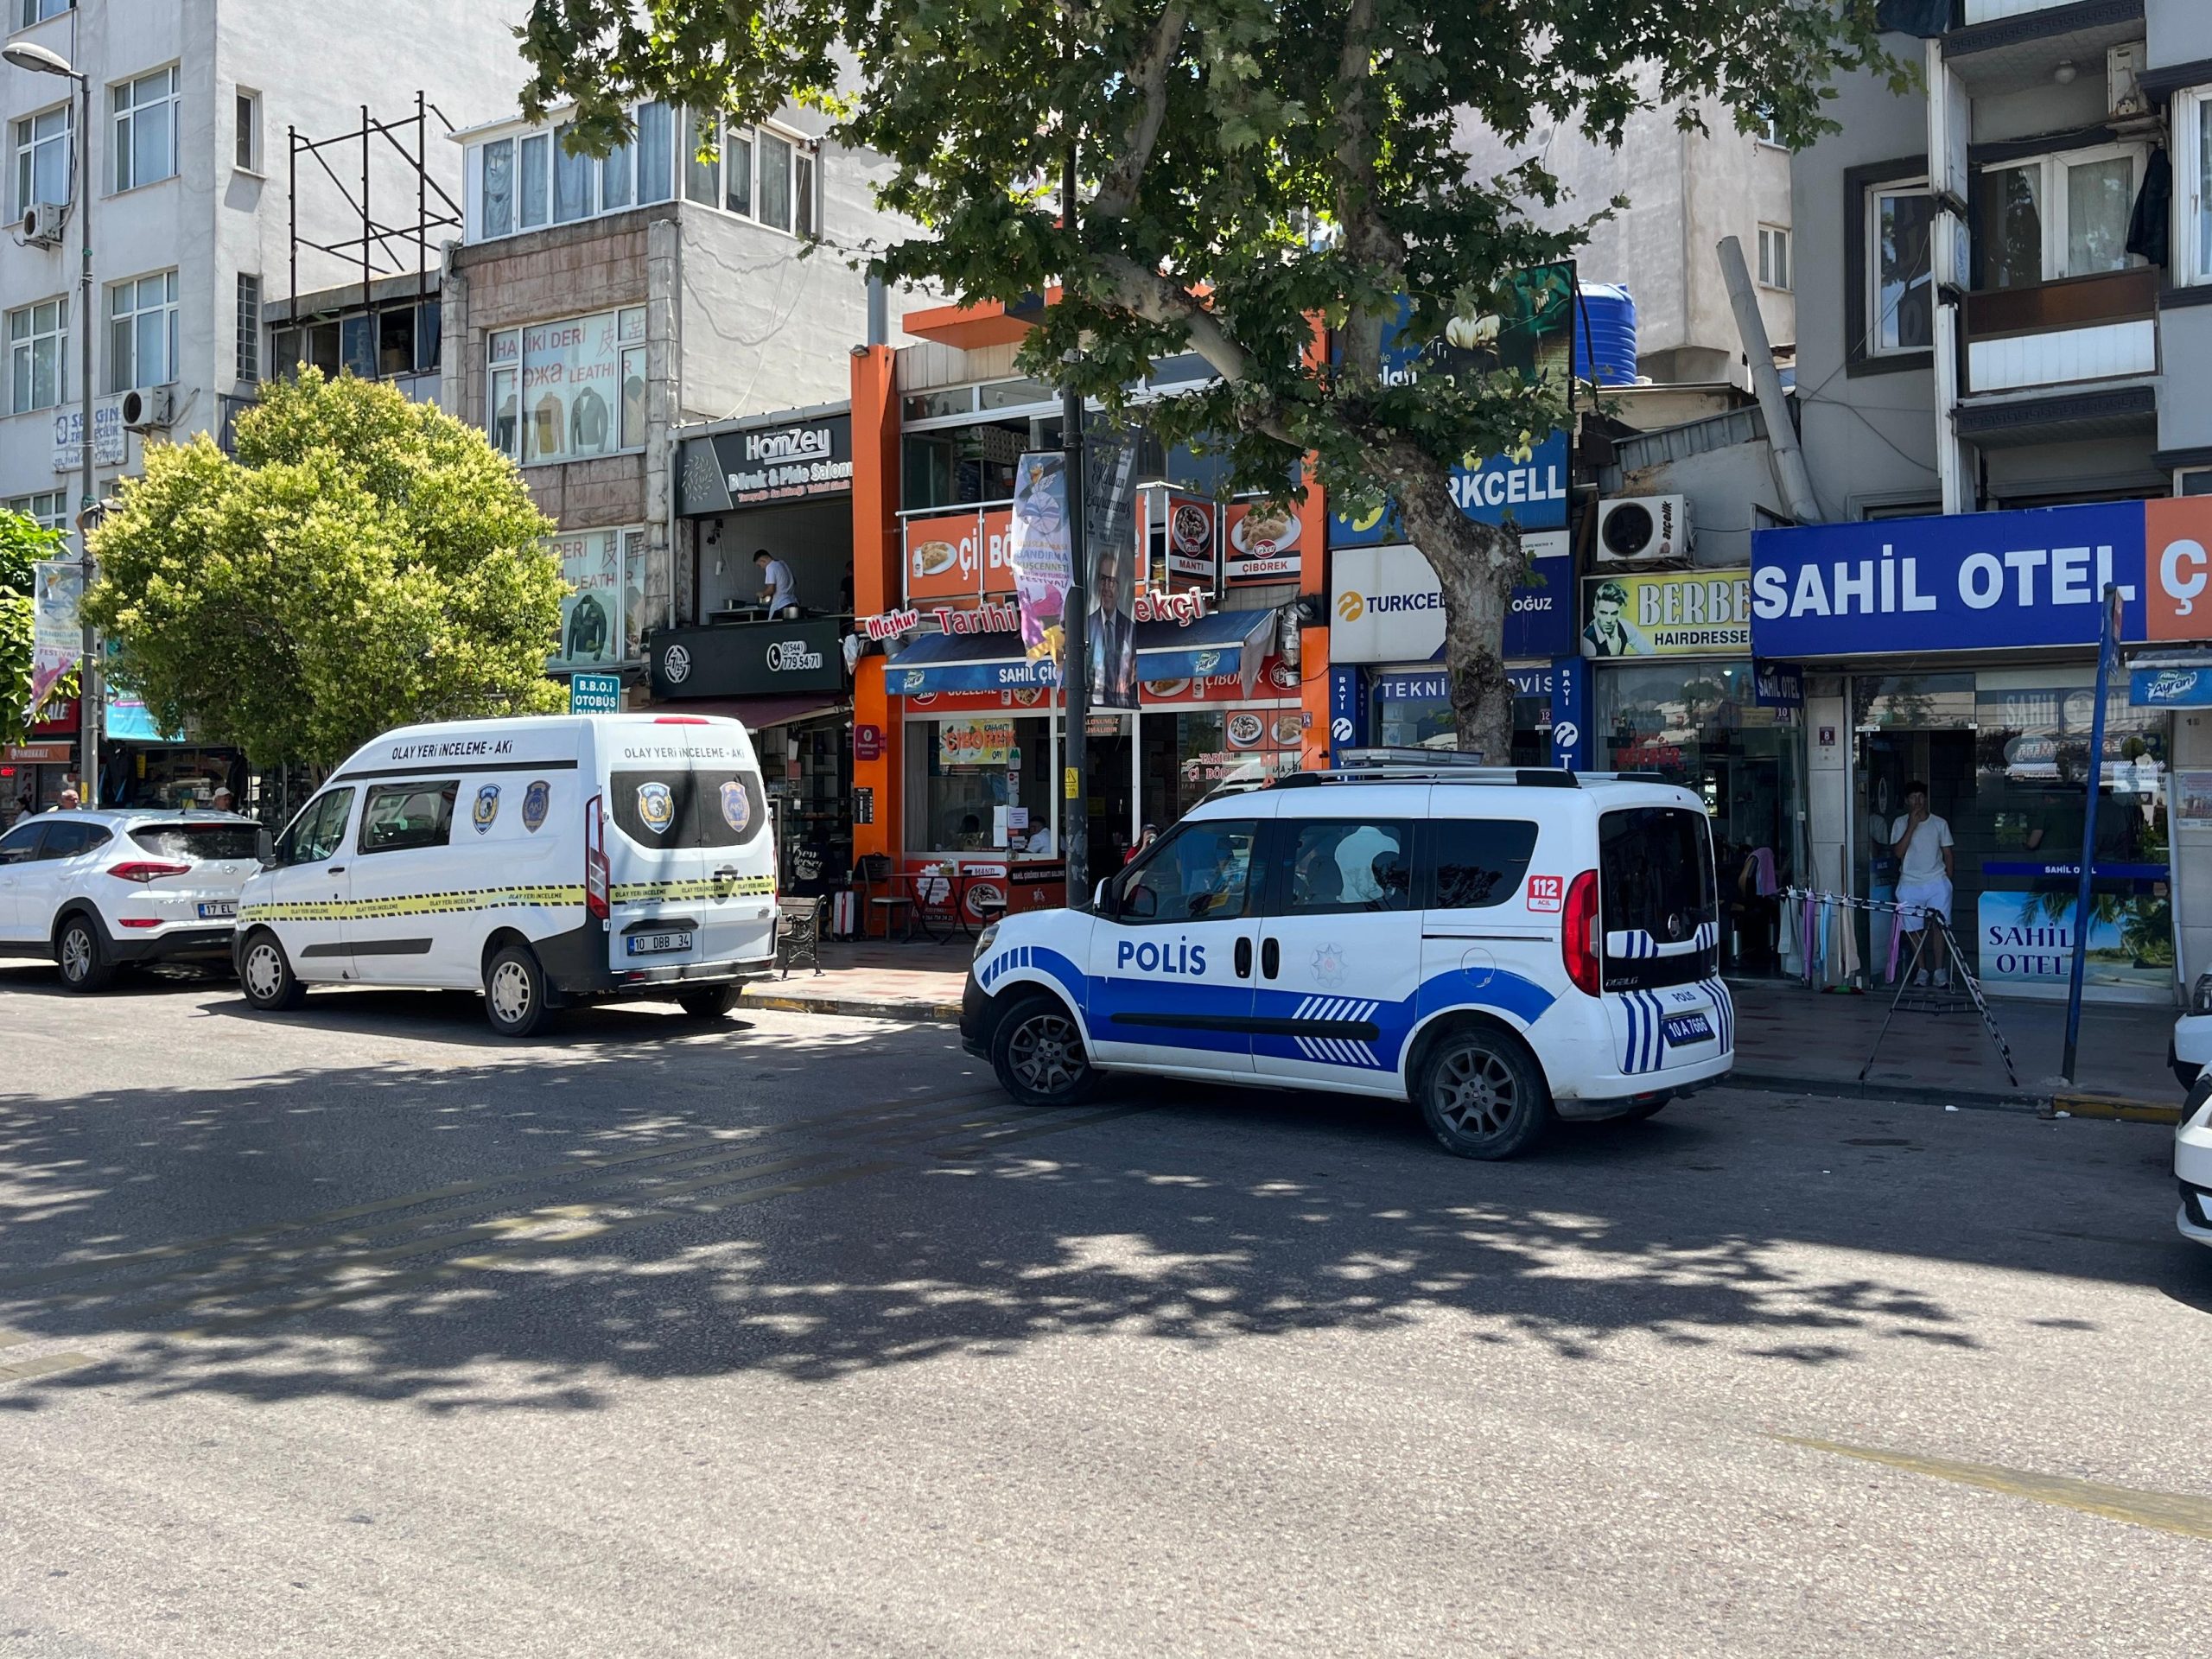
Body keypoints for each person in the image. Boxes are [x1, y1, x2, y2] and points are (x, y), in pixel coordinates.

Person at [1891, 779, 1956, 988]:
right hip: (1909, 882)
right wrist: (1912, 825)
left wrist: (1948, 880)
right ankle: (1922, 970)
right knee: (1913, 928)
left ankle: (1939, 970)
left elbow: (1948, 853)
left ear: (1926, 798)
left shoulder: (1939, 823)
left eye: (1921, 797)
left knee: (1939, 926)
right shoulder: (1900, 823)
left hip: (1936, 880)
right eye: (1913, 798)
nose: (1918, 801)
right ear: (1907, 801)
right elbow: (1898, 853)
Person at [1069, 546, 1135, 707]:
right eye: (1102, 579)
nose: (1106, 587)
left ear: (1121, 587)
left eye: (1111, 581)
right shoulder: (1085, 627)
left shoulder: (1129, 629)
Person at [1581, 580, 1652, 658]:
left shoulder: (1625, 627)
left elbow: (1651, 653)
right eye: (1604, 613)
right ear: (1595, 612)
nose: (1609, 620)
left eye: (1614, 613)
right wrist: (1614, 655)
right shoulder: (1587, 642)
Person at [754, 548, 797, 618]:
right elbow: (794, 581)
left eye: (759, 565)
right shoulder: (783, 564)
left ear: (763, 560)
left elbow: (771, 589)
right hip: (792, 604)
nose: (761, 568)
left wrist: (762, 594)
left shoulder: (770, 567)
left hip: (781, 606)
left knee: (774, 628)